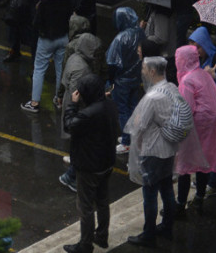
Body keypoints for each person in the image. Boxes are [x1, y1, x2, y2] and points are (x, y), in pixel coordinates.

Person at [125, 56, 192, 247]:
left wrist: (137, 143)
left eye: (144, 68)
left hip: (152, 151)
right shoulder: (171, 88)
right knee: (167, 189)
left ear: (152, 71)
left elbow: (139, 125)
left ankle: (148, 235)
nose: (142, 71)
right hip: (169, 149)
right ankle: (167, 228)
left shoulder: (152, 97)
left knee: (150, 195)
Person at [62, 73, 119, 253]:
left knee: (85, 206)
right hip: (106, 162)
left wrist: (72, 104)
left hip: (89, 166)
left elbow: (69, 125)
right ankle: (101, 236)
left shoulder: (87, 114)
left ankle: (85, 244)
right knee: (102, 201)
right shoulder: (109, 105)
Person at [174, 45, 216, 217]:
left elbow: (186, 110)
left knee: (184, 166)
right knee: (203, 163)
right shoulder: (203, 73)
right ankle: (199, 199)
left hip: (197, 127)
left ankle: (180, 205)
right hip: (212, 125)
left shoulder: (187, 81)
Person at [58, 16, 103, 192]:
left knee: (78, 142)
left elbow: (64, 81)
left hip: (72, 105)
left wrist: (59, 96)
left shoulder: (73, 57)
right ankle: (71, 177)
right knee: (82, 144)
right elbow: (78, 94)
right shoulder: (83, 68)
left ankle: (70, 174)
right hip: (78, 108)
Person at [21, 0, 73, 113]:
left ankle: (34, 102)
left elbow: (36, 23)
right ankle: (59, 99)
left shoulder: (44, 3)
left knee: (39, 69)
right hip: (63, 38)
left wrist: (38, 8)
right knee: (60, 69)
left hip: (46, 40)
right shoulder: (66, 0)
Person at [106, 7, 145, 154]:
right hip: (136, 78)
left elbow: (112, 62)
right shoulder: (140, 33)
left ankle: (126, 141)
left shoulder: (120, 38)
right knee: (133, 108)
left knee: (123, 111)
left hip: (121, 81)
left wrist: (110, 81)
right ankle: (132, 137)